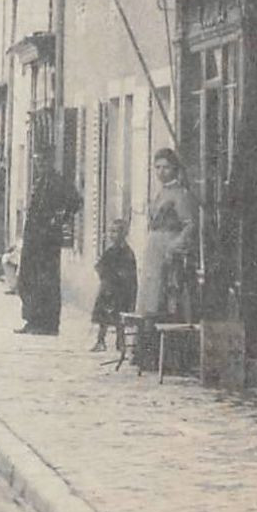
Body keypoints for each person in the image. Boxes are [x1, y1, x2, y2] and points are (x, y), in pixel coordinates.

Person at [134, 148, 199, 368]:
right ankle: (148, 357)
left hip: (168, 253)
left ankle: (169, 359)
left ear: (175, 169)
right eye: (157, 167)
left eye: (166, 167)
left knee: (165, 301)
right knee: (150, 301)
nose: (161, 172)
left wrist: (174, 246)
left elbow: (190, 225)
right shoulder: (160, 194)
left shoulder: (180, 194)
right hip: (154, 251)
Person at [17, 149, 81, 335]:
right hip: (33, 238)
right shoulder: (39, 182)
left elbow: (76, 201)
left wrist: (60, 218)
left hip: (48, 240)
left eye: (43, 162)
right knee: (28, 279)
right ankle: (32, 320)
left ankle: (48, 324)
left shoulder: (58, 181)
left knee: (47, 282)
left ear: (50, 162)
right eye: (37, 162)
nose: (39, 166)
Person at [91, 218, 138, 352]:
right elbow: (100, 265)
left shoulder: (127, 253)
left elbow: (129, 273)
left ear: (123, 234)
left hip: (120, 291)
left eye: (115, 231)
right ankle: (100, 341)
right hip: (107, 288)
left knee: (119, 318)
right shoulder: (110, 251)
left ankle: (120, 341)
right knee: (103, 319)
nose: (112, 234)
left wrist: (117, 276)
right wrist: (103, 272)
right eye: (111, 231)